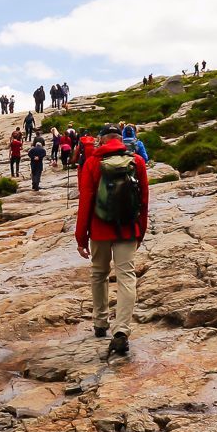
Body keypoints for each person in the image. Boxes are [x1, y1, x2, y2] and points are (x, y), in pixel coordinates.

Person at [76, 123, 149, 358]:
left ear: (102, 140)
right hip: (128, 229)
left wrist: (81, 237)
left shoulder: (91, 163)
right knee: (126, 275)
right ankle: (122, 331)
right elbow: (144, 200)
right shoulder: (136, 161)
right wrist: (141, 231)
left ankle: (100, 322)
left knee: (99, 273)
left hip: (99, 229)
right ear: (120, 139)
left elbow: (85, 201)